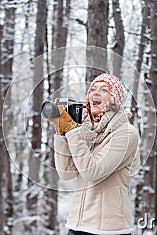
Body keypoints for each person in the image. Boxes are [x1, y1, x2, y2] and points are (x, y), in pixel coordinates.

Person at [49, 73, 140, 235]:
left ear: (115, 100)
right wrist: (61, 133)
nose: (95, 93)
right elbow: (66, 173)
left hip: (109, 230)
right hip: (78, 225)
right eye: (92, 89)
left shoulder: (126, 133)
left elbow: (92, 171)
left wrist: (72, 131)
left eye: (104, 90)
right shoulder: (87, 131)